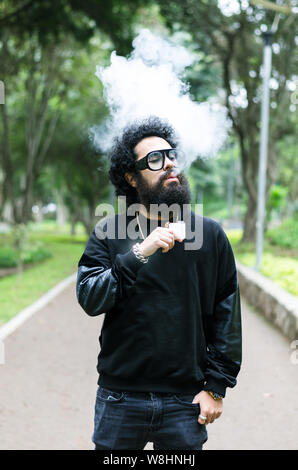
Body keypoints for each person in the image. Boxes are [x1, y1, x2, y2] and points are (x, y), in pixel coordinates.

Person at [76, 116, 242, 450]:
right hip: (120, 398)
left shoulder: (209, 234)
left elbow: (227, 315)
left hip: (185, 401)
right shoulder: (109, 233)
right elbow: (91, 298)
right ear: (131, 177)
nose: (168, 164)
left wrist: (216, 388)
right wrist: (140, 252)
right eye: (154, 159)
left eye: (170, 155)